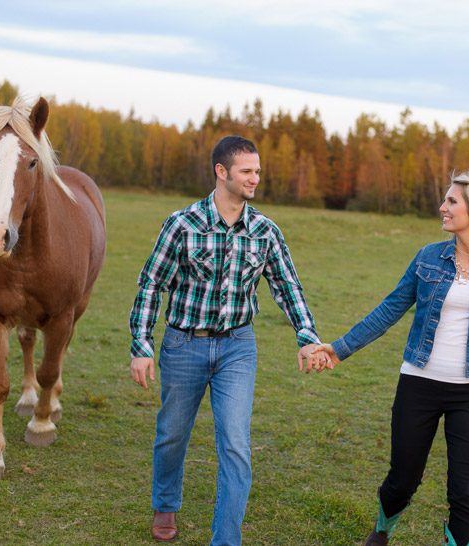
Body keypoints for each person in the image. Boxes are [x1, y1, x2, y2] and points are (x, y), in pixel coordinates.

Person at [304, 172, 469, 546]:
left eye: (451, 201)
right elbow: (389, 309)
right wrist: (339, 349)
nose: (443, 207)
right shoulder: (428, 258)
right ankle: (382, 530)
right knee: (403, 478)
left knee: (465, 491)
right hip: (418, 384)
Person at [129, 135, 326, 545]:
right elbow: (151, 284)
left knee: (236, 443)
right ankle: (166, 502)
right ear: (222, 172)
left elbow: (288, 287)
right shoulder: (182, 224)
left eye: (258, 170)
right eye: (247, 171)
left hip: (238, 347)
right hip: (184, 345)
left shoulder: (265, 231)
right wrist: (142, 346)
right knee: (172, 434)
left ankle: (226, 539)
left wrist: (306, 336)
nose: (256, 178)